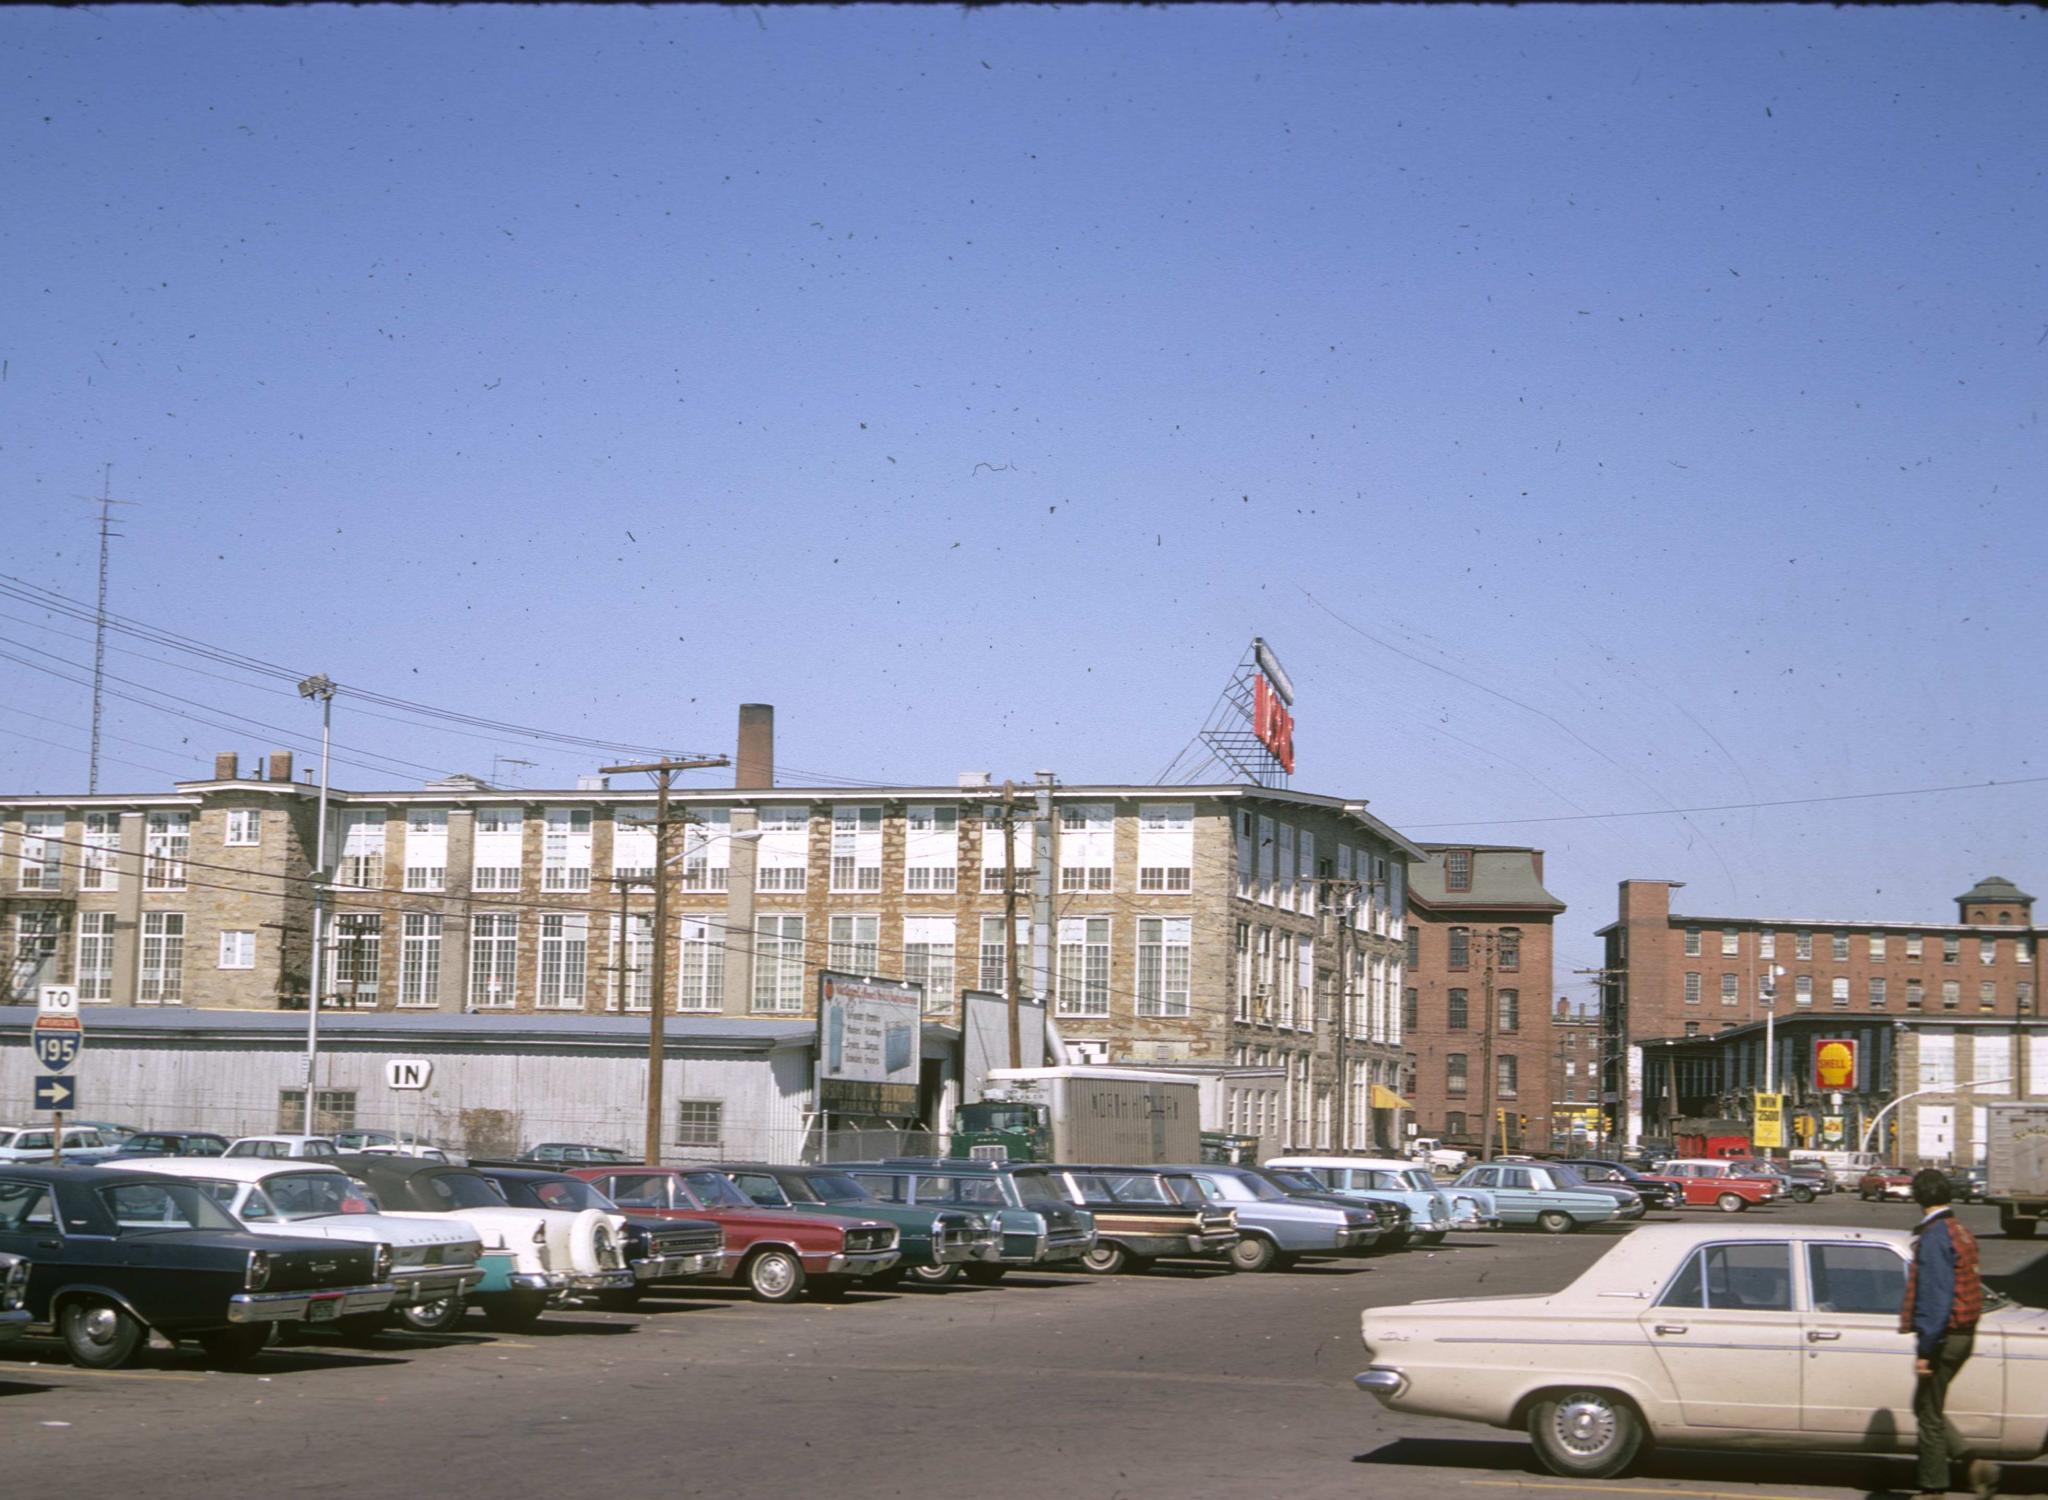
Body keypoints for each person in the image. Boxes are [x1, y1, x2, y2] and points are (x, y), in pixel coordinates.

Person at [1900, 1167, 1997, 1498]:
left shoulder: (1935, 1236)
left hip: (1944, 1336)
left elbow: (1935, 1299)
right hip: (1965, 1332)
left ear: (1918, 1198)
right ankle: (1973, 1464)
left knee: (1927, 1412)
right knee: (1926, 1405)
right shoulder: (1959, 1230)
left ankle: (1933, 1488)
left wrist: (1926, 1351)